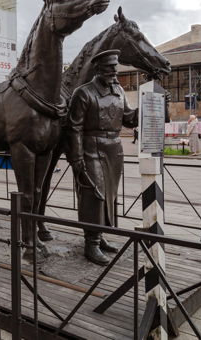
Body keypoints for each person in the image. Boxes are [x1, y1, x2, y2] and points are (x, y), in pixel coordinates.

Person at [66, 49, 138, 265]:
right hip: (91, 147)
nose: (114, 71)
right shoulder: (84, 92)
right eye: (109, 67)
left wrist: (151, 105)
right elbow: (73, 128)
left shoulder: (119, 91)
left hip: (114, 148)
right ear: (98, 68)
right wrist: (76, 158)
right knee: (93, 194)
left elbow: (128, 118)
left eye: (115, 67)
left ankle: (100, 235)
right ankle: (91, 243)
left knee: (109, 194)